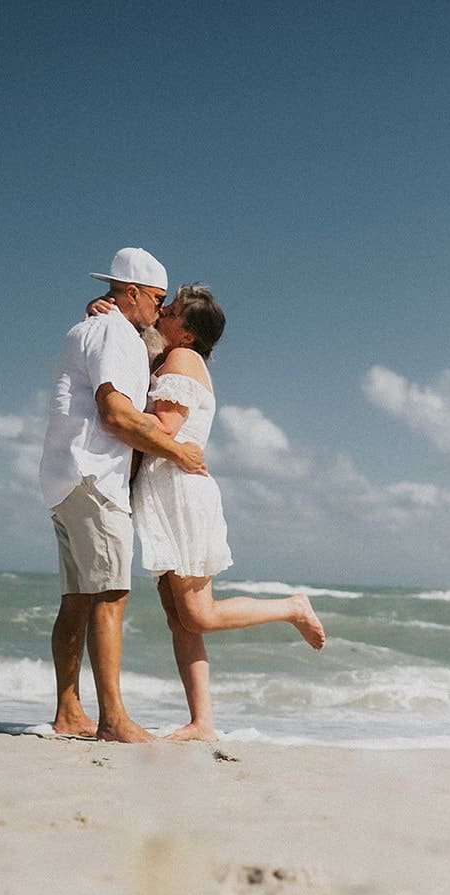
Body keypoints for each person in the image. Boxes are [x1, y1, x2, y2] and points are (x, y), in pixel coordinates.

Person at [95, 283, 325, 741]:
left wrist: (115, 412)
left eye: (174, 310)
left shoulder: (182, 359)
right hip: (165, 492)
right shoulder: (171, 355)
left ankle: (292, 607)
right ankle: (202, 722)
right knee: (178, 617)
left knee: (198, 615)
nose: (163, 311)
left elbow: (164, 427)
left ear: (188, 334)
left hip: (181, 492)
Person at [38, 247, 207, 741]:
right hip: (94, 475)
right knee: (111, 594)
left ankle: (69, 712)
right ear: (131, 293)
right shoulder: (115, 332)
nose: (160, 309)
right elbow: (115, 414)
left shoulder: (91, 327)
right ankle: (112, 719)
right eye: (156, 299)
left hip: (63, 475)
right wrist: (179, 452)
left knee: (77, 599)